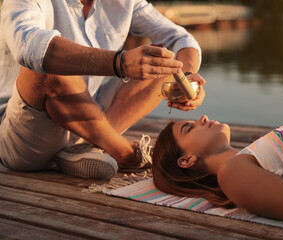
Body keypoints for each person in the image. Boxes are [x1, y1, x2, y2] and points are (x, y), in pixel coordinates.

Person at [0, 0, 205, 180]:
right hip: (24, 132)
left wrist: (186, 81)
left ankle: (93, 146)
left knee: (164, 60)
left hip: (90, 117)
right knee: (44, 68)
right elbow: (31, 47)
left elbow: (180, 39)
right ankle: (125, 154)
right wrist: (120, 63)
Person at [152, 115, 283, 237]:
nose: (202, 118)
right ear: (187, 160)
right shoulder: (232, 173)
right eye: (189, 128)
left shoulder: (256, 154)